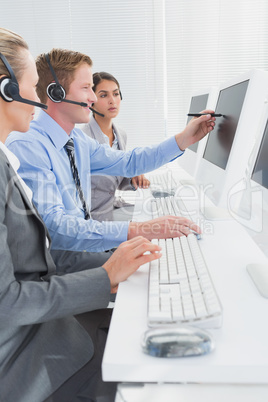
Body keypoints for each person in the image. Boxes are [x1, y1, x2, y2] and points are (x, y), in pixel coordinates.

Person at [0, 27, 162, 402]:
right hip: (26, 356)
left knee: (144, 326)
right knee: (150, 366)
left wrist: (115, 268)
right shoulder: (24, 150)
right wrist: (104, 276)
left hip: (48, 326)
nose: (37, 97)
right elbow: (8, 301)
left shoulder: (8, 159)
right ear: (7, 89)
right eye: (31, 85)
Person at [6, 48, 216, 263]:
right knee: (153, 266)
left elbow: (129, 161)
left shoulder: (76, 141)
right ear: (56, 93)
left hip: (83, 250)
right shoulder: (28, 145)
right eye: (87, 88)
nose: (92, 97)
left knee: (160, 261)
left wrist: (183, 140)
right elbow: (56, 228)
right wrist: (141, 229)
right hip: (56, 263)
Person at [82, 71, 150, 222]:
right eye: (104, 95)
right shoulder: (83, 138)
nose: (112, 101)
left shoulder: (121, 135)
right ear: (91, 100)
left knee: (153, 217)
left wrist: (133, 178)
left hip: (112, 208)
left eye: (116, 94)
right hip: (92, 218)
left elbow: (113, 181)